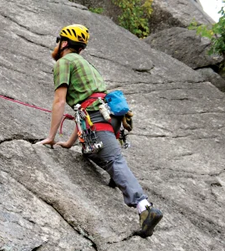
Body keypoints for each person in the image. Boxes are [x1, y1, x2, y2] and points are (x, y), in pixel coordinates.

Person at [37, 24, 163, 237]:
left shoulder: (64, 63)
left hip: (96, 118)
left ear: (65, 43)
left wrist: (50, 137)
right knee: (93, 153)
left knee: (113, 160)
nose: (57, 44)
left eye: (59, 40)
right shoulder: (85, 64)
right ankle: (116, 176)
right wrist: (69, 143)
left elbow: (60, 102)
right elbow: (84, 110)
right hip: (108, 117)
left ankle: (144, 207)